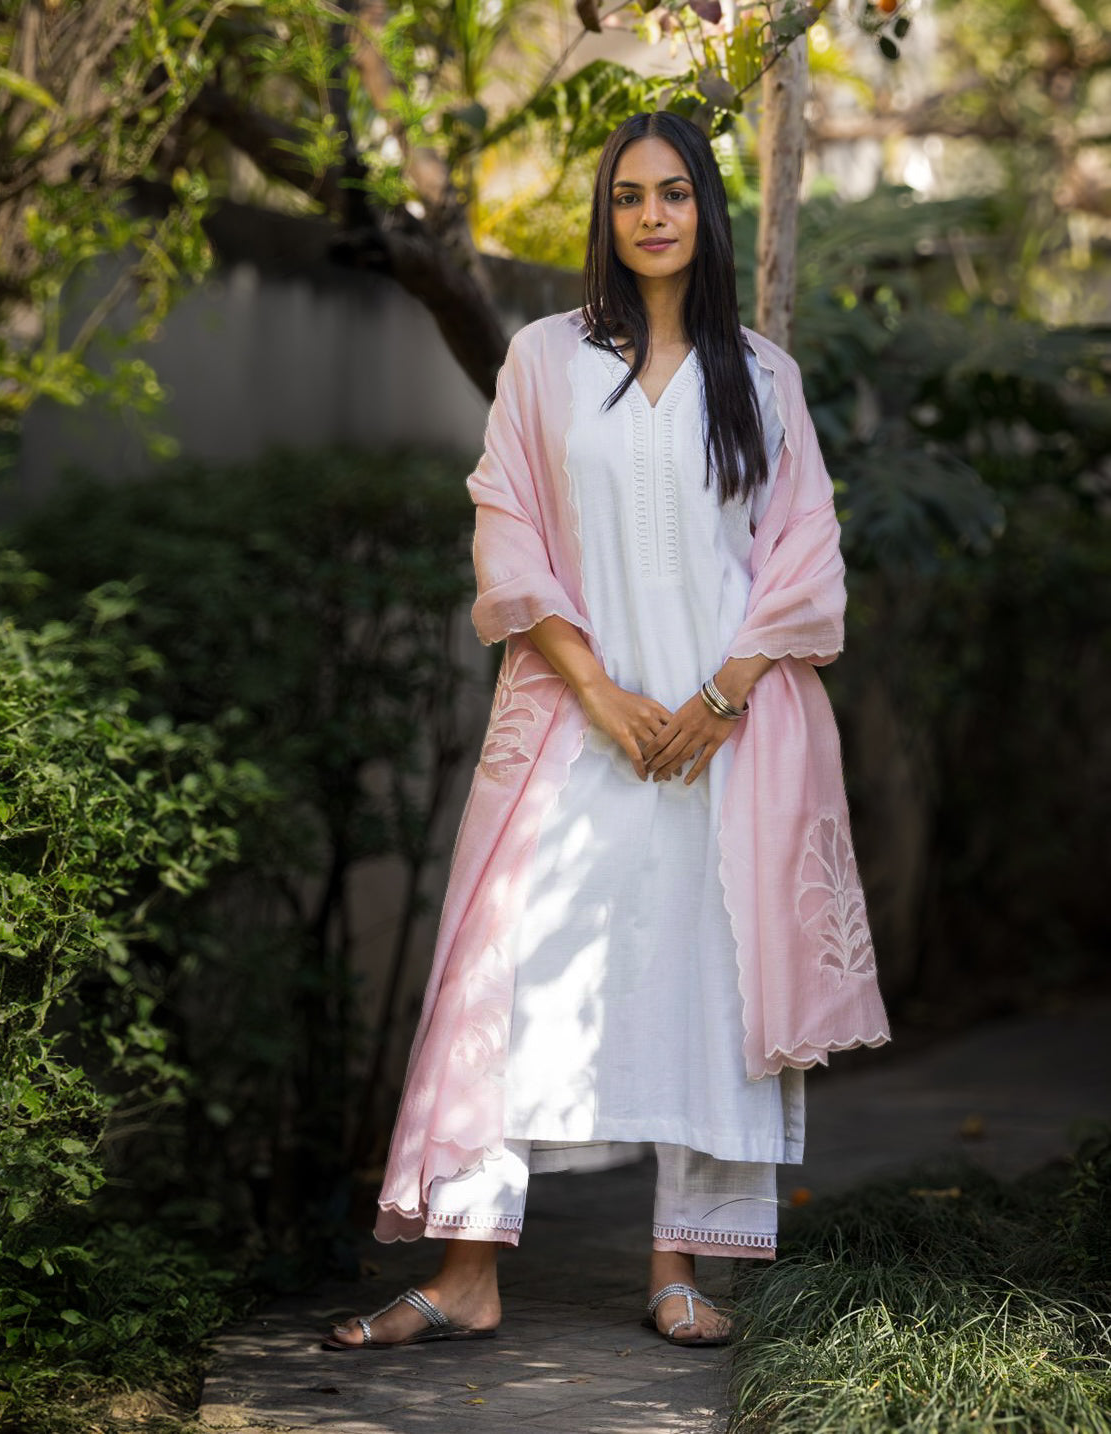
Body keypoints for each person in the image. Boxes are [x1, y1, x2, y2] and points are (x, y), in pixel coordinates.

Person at [324, 111, 890, 1351]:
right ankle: (470, 1268)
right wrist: (597, 692)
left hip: (724, 741)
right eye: (628, 194)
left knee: (701, 980)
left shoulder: (763, 375)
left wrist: (719, 697)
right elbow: (506, 524)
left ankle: (677, 1269)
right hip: (579, 724)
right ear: (604, 212)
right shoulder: (544, 359)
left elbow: (802, 559)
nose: (649, 215)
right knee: (511, 977)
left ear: (707, 212)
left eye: (673, 193)